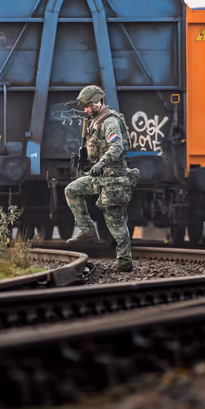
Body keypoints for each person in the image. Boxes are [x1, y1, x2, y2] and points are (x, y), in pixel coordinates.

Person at [64, 85, 140, 272]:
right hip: (99, 177)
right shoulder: (95, 120)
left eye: (89, 106)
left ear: (99, 101)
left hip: (114, 178)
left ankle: (124, 262)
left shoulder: (110, 121)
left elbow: (117, 146)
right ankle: (88, 231)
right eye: (85, 107)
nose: (87, 110)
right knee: (71, 190)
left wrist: (101, 163)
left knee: (115, 221)